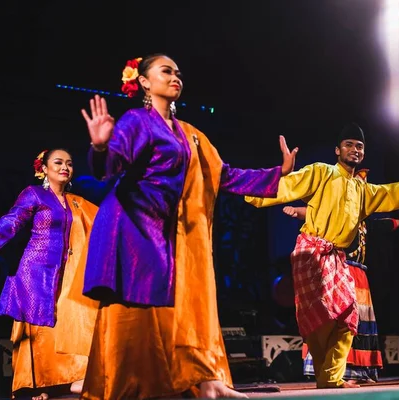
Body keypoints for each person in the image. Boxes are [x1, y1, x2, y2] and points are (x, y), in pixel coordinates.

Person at [79, 54, 298, 400]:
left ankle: (203, 380)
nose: (175, 77)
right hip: (137, 229)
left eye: (178, 73)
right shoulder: (136, 121)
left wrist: (277, 173)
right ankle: (140, 384)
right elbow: (110, 166)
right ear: (145, 82)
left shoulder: (191, 135)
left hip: (175, 234)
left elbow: (223, 175)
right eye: (166, 71)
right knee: (140, 317)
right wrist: (100, 146)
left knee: (187, 309)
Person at [246, 122, 399, 388]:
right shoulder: (322, 173)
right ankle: (327, 377)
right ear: (337, 150)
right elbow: (287, 188)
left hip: (337, 257)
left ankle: (331, 378)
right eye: (349, 144)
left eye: (360, 146)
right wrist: (272, 178)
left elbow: (392, 193)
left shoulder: (363, 190)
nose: (355, 150)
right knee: (320, 319)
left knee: (348, 316)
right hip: (312, 251)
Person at [0, 148, 99, 400]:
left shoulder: (76, 202)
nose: (65, 166)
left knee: (71, 325)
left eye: (69, 163)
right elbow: (11, 223)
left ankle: (65, 381)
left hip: (67, 275)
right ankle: (38, 385)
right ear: (43, 169)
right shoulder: (34, 194)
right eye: (58, 162)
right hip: (36, 274)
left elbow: (104, 222)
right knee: (40, 332)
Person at [284, 201, 399, 383]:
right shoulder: (337, 214)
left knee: (360, 325)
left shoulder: (365, 223)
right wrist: (296, 211)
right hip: (341, 271)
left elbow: (386, 223)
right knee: (343, 322)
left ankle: (362, 371)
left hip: (359, 275)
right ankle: (342, 373)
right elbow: (313, 212)